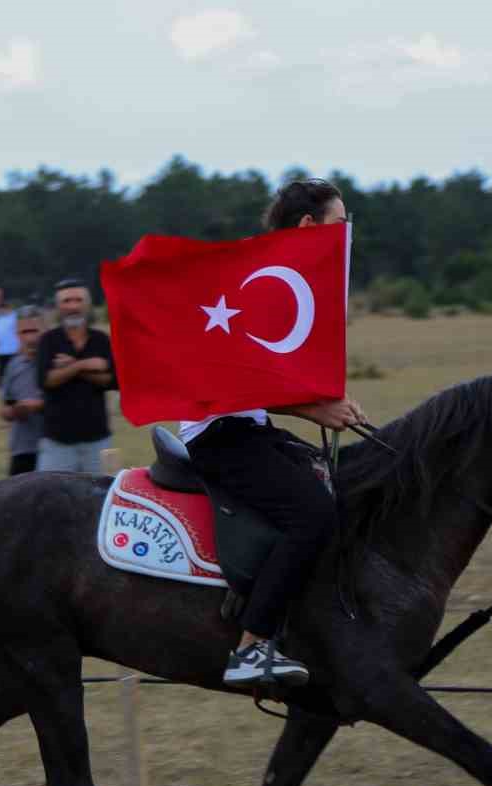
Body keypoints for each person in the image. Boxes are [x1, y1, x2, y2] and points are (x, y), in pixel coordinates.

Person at [182, 178, 365, 689]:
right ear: (308, 226)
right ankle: (251, 647)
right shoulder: (258, 275)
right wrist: (314, 410)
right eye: (339, 221)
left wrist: (328, 402)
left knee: (331, 486)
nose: (346, 231)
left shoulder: (282, 274)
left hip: (249, 426)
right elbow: (234, 379)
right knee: (312, 515)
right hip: (220, 432)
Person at [34, 279, 116, 474]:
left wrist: (70, 367)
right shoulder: (48, 340)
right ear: (58, 307)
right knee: (51, 500)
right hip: (57, 441)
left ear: (87, 305)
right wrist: (87, 364)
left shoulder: (101, 340)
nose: (73, 306)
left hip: (98, 440)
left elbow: (114, 381)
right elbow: (46, 380)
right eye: (66, 301)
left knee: (102, 500)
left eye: (78, 300)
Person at [0, 305, 47, 476]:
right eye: (25, 332)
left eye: (34, 331)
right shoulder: (13, 365)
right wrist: (10, 412)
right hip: (21, 448)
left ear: (45, 330)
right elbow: (5, 404)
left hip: (51, 447)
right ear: (17, 335)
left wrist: (38, 406)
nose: (30, 338)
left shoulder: (56, 362)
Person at [0, 297, 19, 386]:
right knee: (2, 369)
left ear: (6, 308)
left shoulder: (14, 318)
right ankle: (1, 385)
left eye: (1, 310)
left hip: (13, 349)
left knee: (14, 368)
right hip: (1, 350)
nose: (0, 312)